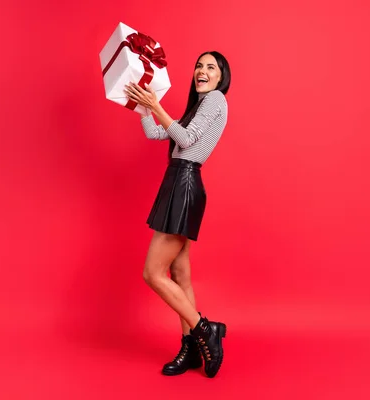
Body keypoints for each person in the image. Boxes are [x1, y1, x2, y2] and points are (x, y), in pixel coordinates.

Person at [124, 51, 231, 378]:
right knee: (180, 276)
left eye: (210, 67)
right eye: (199, 65)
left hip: (185, 184)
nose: (202, 70)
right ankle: (191, 349)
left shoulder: (215, 100)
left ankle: (204, 329)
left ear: (221, 76)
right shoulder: (198, 106)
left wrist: (156, 106)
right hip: (176, 182)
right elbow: (158, 134)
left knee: (152, 273)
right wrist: (143, 105)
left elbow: (186, 139)